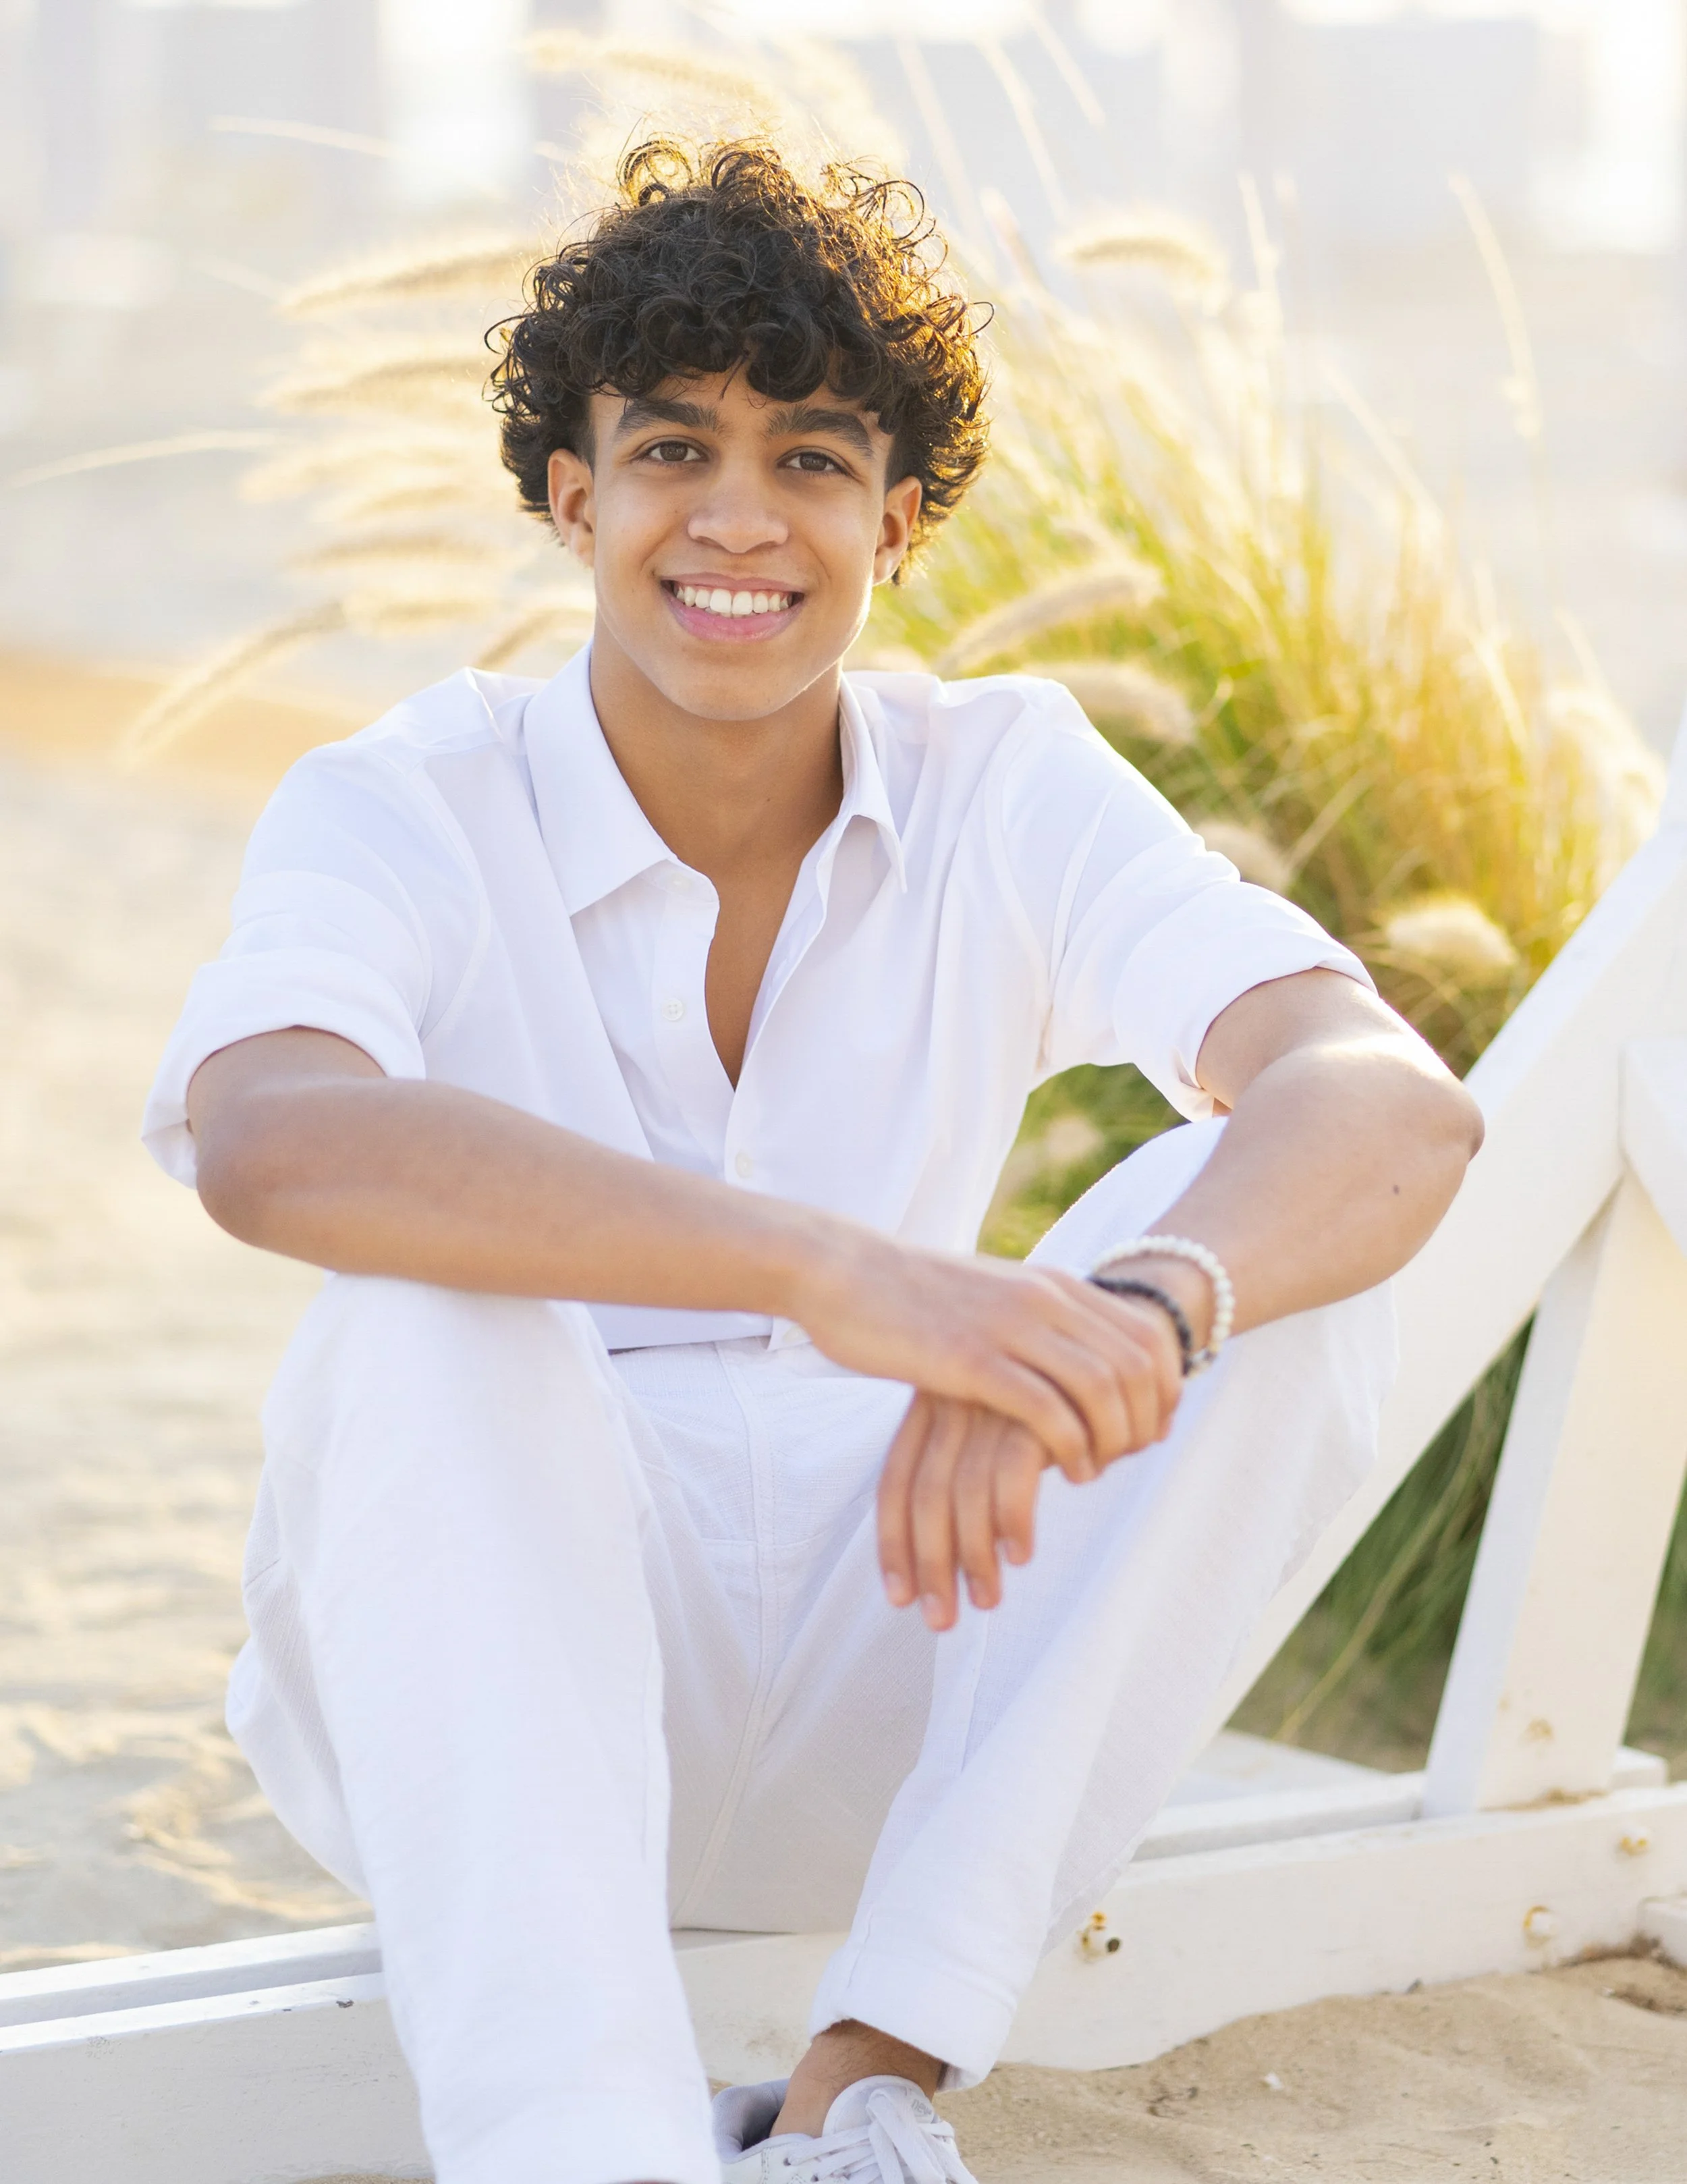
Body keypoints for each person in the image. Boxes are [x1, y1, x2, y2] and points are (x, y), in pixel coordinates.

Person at [144, 140, 1482, 2184]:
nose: (741, 519)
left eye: (817, 459)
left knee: (1256, 1258)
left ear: (902, 521)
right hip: (496, 1694)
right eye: (674, 448)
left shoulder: (1004, 777)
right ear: (571, 495)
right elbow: (270, 1138)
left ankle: (867, 2083)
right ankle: (589, 2156)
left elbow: (1387, 1102)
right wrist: (830, 1275)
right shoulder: (401, 796)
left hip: (913, 1651)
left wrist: (1118, 1323)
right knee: (418, 1304)